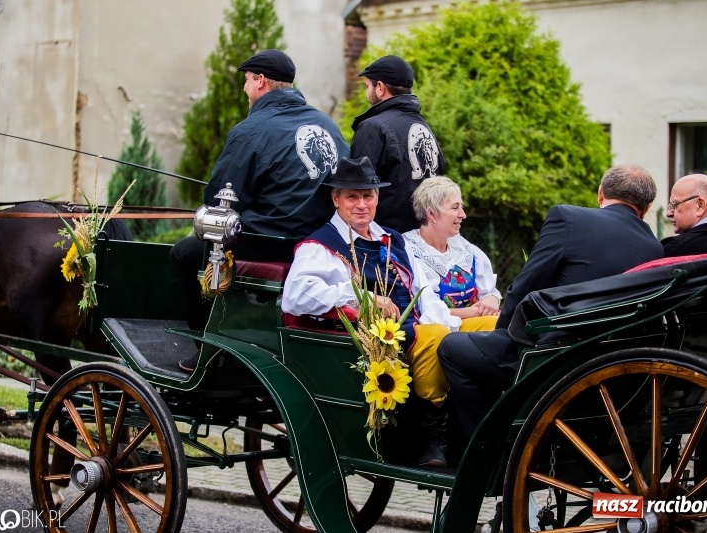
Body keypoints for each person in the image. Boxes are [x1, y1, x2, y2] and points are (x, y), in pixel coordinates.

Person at [282, 156, 490, 468]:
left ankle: (486, 423)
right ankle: (431, 440)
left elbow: (423, 293)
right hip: (376, 337)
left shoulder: (392, 240)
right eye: (352, 196)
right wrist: (364, 298)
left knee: (490, 327)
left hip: (418, 327)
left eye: (368, 196)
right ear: (336, 199)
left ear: (377, 198)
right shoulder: (320, 245)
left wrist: (453, 324)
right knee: (432, 336)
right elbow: (296, 296)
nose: (361, 204)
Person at [438, 164, 665, 438]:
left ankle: (487, 446)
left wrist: (503, 333)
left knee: (452, 347)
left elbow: (527, 284)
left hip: (553, 359)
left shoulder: (569, 218)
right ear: (647, 207)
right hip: (616, 367)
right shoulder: (654, 248)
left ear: (600, 193)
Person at [171, 49, 349, 372]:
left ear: (261, 82)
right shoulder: (329, 126)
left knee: (182, 255)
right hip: (322, 244)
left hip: (271, 241)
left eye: (247, 81)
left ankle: (205, 350)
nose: (244, 89)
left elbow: (220, 202)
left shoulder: (251, 130)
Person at [351, 55, 446, 233]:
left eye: (367, 87)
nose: (366, 94)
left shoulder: (373, 127)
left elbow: (357, 187)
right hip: (424, 236)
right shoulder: (424, 127)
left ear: (380, 87)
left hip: (386, 240)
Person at [403, 176, 502, 324]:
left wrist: (492, 299)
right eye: (455, 207)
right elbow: (422, 310)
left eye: (461, 207)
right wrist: (471, 312)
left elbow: (489, 291)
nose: (463, 214)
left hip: (478, 326)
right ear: (431, 214)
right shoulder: (408, 250)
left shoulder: (463, 247)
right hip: (442, 335)